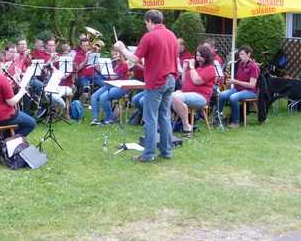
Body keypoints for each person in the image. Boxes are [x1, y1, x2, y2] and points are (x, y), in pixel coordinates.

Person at [114, 9, 179, 163]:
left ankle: (148, 154)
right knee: (164, 117)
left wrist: (122, 48)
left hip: (156, 81)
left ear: (149, 21)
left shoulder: (149, 36)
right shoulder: (171, 35)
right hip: (170, 79)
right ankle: (166, 152)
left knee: (150, 118)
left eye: (146, 24)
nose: (146, 27)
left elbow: (135, 58)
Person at [0, 51, 36, 137]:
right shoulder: (1, 78)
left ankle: (5, 140)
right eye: (2, 62)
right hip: (1, 116)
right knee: (31, 123)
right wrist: (21, 93)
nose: (3, 64)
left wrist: (9, 87)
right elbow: (11, 102)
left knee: (18, 122)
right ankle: (8, 142)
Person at [171, 45, 216, 138]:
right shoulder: (195, 68)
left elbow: (197, 81)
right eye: (197, 55)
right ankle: (165, 124)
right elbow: (184, 82)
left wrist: (191, 68)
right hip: (186, 92)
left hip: (201, 96)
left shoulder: (210, 69)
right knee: (166, 97)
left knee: (176, 97)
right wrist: (185, 68)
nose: (198, 58)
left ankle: (186, 126)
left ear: (206, 57)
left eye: (201, 56)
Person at [214, 45, 259, 129]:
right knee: (221, 95)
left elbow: (252, 85)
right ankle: (216, 118)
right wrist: (230, 80)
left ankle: (235, 121)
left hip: (250, 91)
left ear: (248, 54)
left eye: (242, 54)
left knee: (233, 98)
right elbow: (238, 79)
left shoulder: (254, 67)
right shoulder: (241, 64)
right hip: (238, 88)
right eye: (239, 54)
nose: (240, 56)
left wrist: (235, 81)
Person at [89, 48, 129, 125]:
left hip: (121, 87)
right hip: (110, 85)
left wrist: (106, 70)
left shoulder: (124, 64)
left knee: (103, 97)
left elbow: (113, 77)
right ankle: (95, 119)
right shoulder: (112, 64)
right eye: (113, 54)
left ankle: (110, 118)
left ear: (121, 54)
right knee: (94, 96)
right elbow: (107, 77)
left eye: (116, 54)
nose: (114, 56)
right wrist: (99, 70)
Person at [47, 44, 75, 116]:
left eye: (67, 54)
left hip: (67, 85)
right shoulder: (58, 62)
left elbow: (64, 76)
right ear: (61, 54)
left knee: (56, 96)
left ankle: (66, 108)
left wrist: (54, 67)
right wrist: (51, 59)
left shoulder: (72, 63)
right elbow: (48, 66)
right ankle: (57, 108)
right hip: (57, 85)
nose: (65, 56)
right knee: (48, 95)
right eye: (63, 54)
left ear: (70, 54)